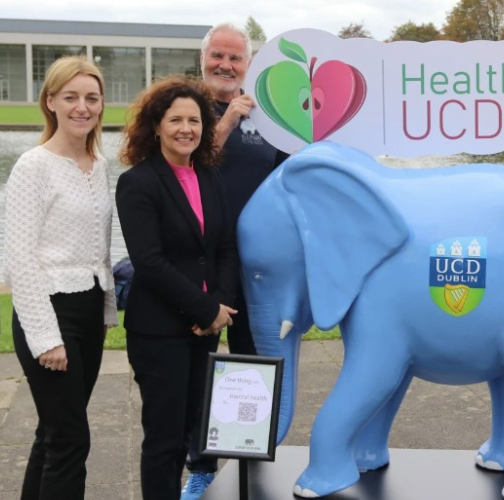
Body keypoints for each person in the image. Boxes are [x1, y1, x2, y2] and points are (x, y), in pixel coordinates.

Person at [115, 76, 238, 500]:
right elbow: (149, 263)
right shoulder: (137, 183)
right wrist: (205, 310)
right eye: (176, 120)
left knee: (195, 428)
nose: (186, 128)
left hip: (206, 329)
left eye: (195, 120)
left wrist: (220, 305)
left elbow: (224, 247)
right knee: (164, 441)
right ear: (156, 126)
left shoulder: (210, 177)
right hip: (160, 332)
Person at [181, 22, 288, 499]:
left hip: (254, 267)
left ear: (249, 63)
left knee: (250, 368)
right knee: (199, 367)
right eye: (217, 56)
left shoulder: (269, 117)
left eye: (235, 58)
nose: (225, 65)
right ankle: (200, 466)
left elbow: (295, 177)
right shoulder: (186, 110)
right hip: (199, 264)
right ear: (203, 59)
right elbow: (182, 169)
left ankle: (248, 463)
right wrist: (224, 121)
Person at [3, 55, 117, 500]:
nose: (81, 107)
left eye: (91, 97)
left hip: (87, 311)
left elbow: (98, 250)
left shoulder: (98, 164)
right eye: (70, 97)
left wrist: (105, 309)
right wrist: (46, 336)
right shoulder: (33, 166)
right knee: (72, 439)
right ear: (50, 101)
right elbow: (20, 260)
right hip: (48, 314)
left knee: (53, 433)